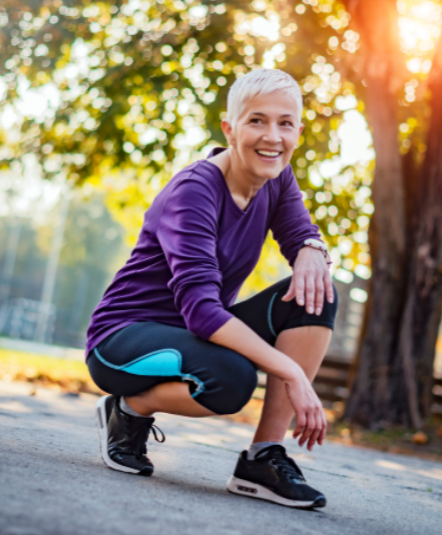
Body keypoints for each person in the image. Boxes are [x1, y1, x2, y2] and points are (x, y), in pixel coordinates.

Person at [86, 68, 337, 509]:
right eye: (256, 120)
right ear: (230, 127)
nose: (272, 136)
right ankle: (128, 410)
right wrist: (291, 371)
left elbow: (300, 234)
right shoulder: (195, 190)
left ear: (298, 130)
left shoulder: (277, 177)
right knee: (231, 381)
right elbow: (202, 311)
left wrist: (313, 248)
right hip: (123, 339)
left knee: (316, 294)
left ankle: (262, 458)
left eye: (285, 123)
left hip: (196, 334)